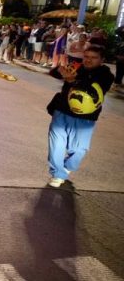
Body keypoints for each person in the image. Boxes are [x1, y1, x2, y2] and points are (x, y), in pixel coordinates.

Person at [46, 45, 114, 188]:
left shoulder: (105, 75)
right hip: (62, 110)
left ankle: (67, 166)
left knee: (79, 149)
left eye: (93, 58)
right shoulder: (76, 66)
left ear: (102, 59)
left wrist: (73, 81)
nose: (88, 60)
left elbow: (93, 90)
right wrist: (59, 70)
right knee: (56, 143)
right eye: (86, 56)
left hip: (86, 117)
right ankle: (57, 174)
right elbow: (54, 73)